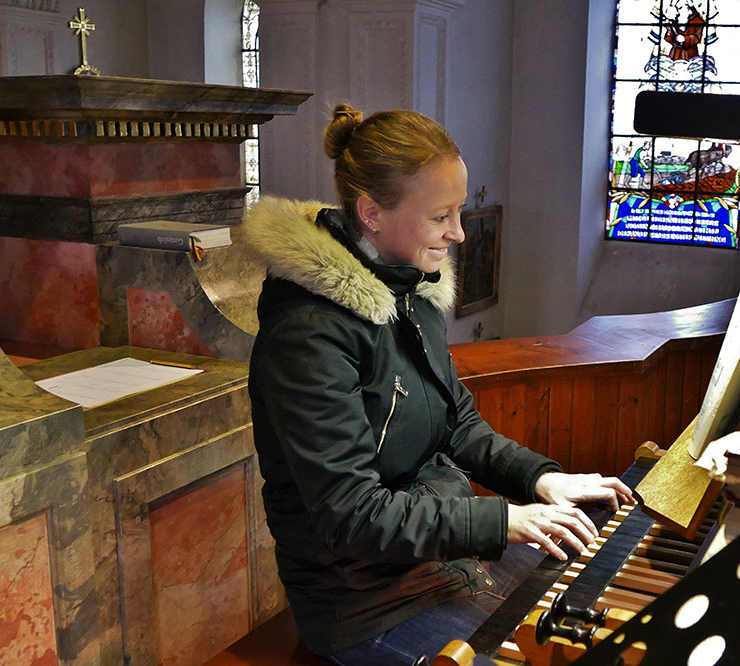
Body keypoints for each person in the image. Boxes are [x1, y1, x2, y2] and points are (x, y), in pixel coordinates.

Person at [242, 103, 633, 665]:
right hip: (363, 605)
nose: (459, 233)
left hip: (440, 564)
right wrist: (505, 520)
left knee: (599, 612)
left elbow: (459, 426)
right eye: (440, 216)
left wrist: (542, 480)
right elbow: (352, 517)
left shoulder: (410, 291)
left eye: (459, 211)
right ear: (372, 213)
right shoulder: (308, 334)